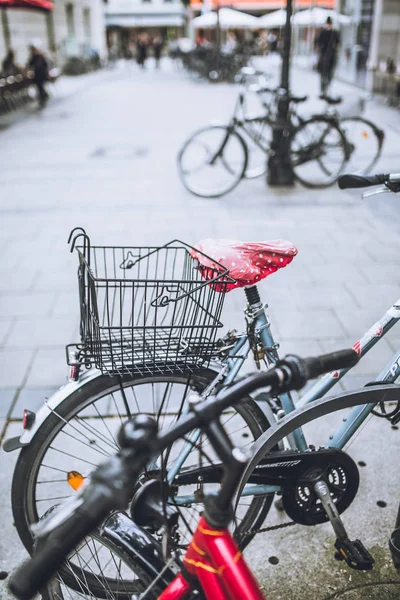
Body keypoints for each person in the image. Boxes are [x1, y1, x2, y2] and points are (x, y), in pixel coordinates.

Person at [316, 16, 340, 96]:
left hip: (328, 56)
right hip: (326, 55)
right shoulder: (325, 32)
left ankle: (325, 88)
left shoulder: (333, 33)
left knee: (327, 73)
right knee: (325, 73)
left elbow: (338, 44)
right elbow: (318, 43)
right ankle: (324, 88)